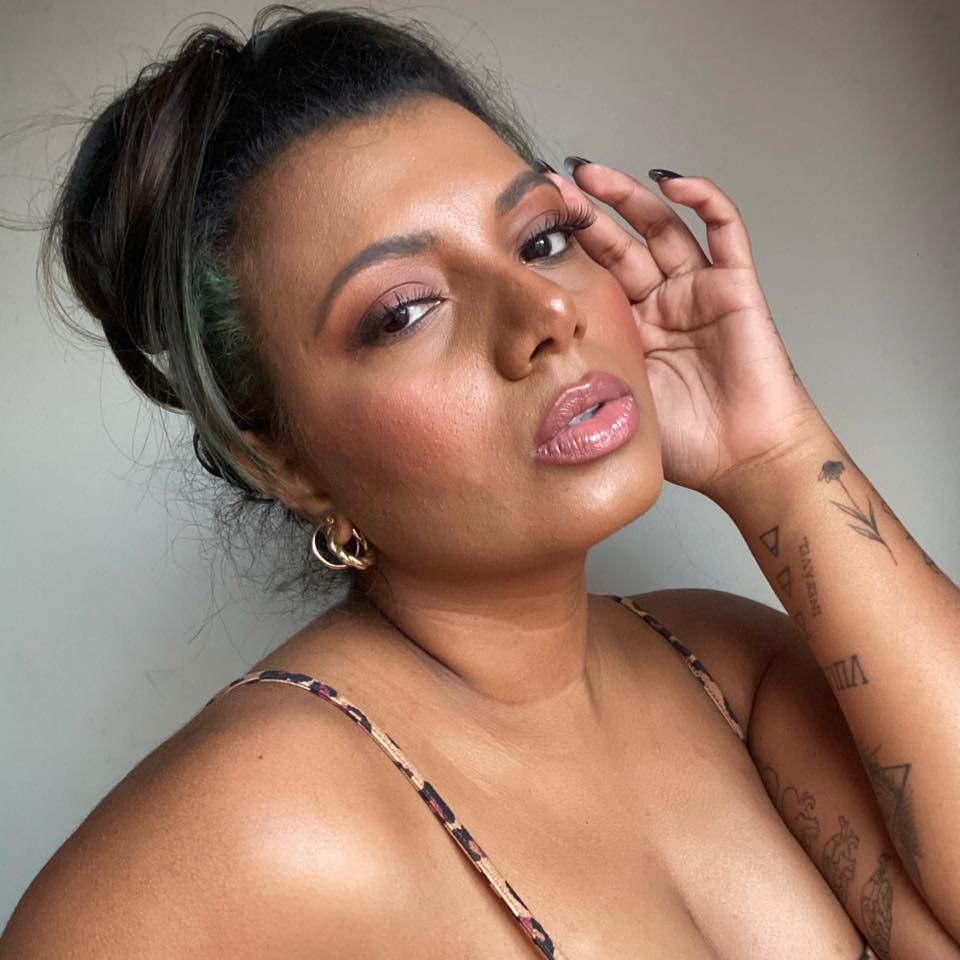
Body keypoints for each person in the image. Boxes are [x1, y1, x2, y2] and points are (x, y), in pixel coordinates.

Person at [2, 5, 958, 958]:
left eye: (541, 241)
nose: (546, 311)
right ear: (281, 460)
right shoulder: (248, 833)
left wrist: (775, 460)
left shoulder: (726, 669)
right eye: (406, 311)